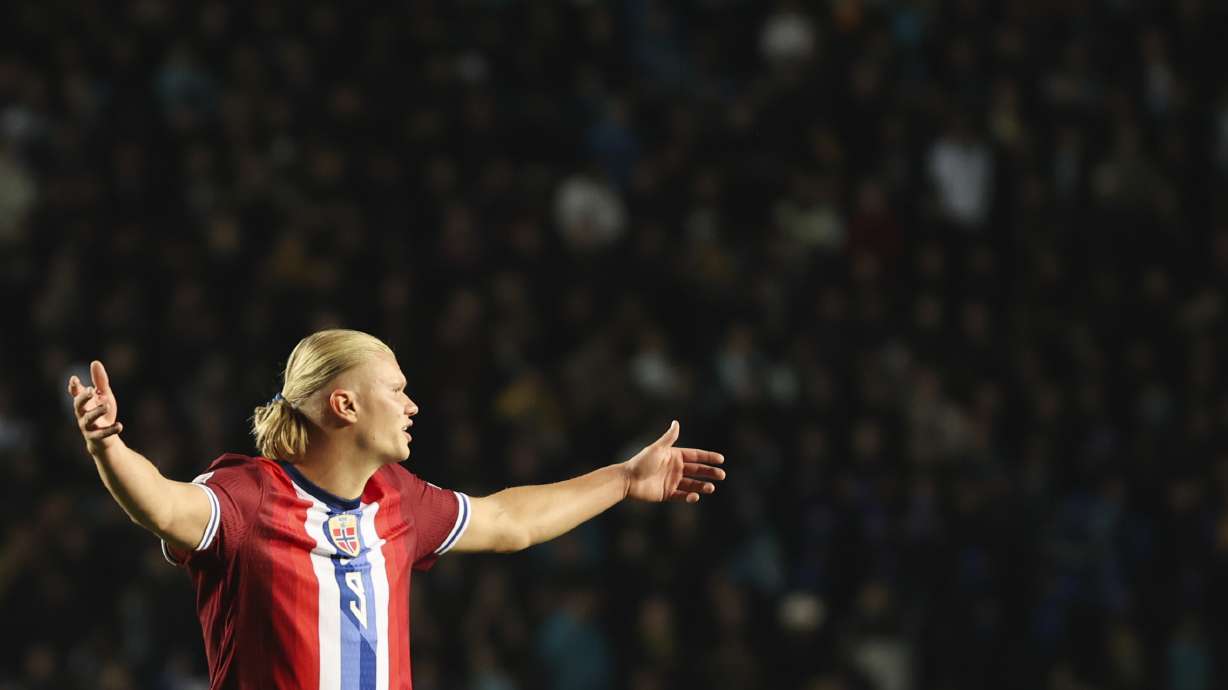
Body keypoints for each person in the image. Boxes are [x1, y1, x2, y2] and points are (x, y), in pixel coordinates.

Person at [67, 329, 726, 690]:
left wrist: (624, 479)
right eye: (398, 390)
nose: (413, 406)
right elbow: (162, 506)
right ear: (345, 405)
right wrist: (108, 445)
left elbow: (511, 522)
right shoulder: (248, 495)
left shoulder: (398, 499)